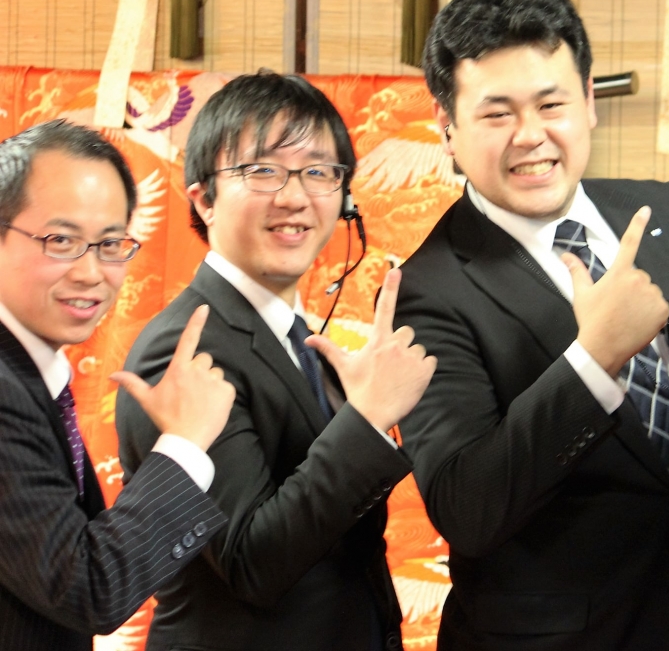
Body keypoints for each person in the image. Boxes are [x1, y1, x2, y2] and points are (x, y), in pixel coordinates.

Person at [394, 0, 669, 651]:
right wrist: (591, 363)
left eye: (551, 104)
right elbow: (468, 509)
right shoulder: (425, 290)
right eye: (496, 114)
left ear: (590, 100)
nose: (531, 135)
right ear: (447, 127)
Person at [115, 72, 437, 651]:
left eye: (319, 171)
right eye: (262, 171)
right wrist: (365, 420)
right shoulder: (182, 351)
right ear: (204, 199)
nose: (294, 197)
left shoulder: (298, 336)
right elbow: (251, 562)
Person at [0, 119, 235, 650]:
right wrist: (185, 442)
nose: (91, 272)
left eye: (110, 243)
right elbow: (88, 587)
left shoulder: (31, 371)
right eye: (61, 240)